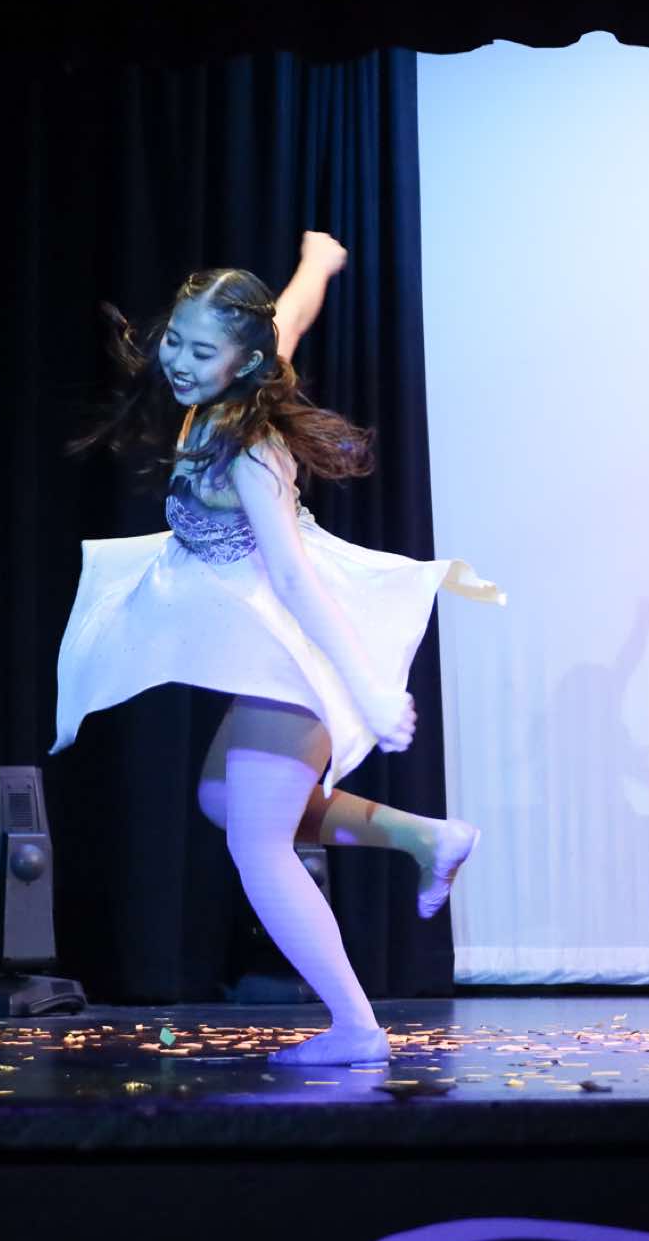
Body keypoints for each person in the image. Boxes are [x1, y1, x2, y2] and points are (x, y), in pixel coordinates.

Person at [52, 232, 503, 1064]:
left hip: (302, 647)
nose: (180, 361)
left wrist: (366, 690)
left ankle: (357, 1029)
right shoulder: (235, 384)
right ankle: (426, 838)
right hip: (274, 647)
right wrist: (317, 264)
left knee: (256, 843)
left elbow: (294, 578)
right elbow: (287, 317)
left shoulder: (250, 448)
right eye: (176, 341)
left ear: (243, 361)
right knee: (225, 798)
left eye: (202, 351)